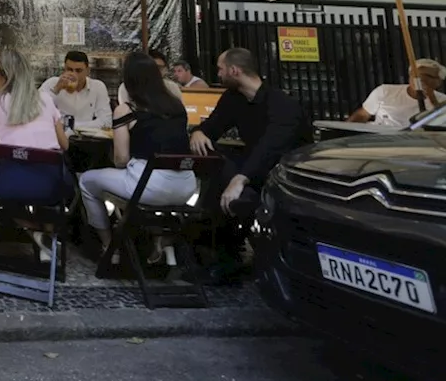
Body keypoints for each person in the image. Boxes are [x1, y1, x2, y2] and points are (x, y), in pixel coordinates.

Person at [190, 47, 311, 281]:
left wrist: (240, 179)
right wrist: (199, 132)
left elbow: (270, 149)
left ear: (234, 70)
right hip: (254, 170)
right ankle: (218, 252)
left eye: (220, 69)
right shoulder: (233, 99)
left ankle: (226, 254)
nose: (218, 74)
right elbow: (213, 126)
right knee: (220, 168)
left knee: (232, 183)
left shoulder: (281, 104)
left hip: (286, 177)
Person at [79, 52, 196, 265]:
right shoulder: (177, 106)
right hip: (186, 186)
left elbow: (121, 159)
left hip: (148, 185)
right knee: (141, 190)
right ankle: (161, 241)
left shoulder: (127, 109)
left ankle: (109, 246)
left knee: (86, 180)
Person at [0, 46, 73, 261]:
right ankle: (47, 237)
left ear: (4, 74)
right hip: (52, 183)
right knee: (48, 192)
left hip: (10, 183)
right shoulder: (45, 99)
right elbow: (64, 145)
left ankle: (34, 231)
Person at [347, 59, 446, 127]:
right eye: (415, 74)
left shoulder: (443, 101)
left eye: (427, 76)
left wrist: (432, 99)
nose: (419, 79)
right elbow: (363, 115)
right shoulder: (385, 91)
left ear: (438, 81)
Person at [40, 51, 111, 131]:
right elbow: (37, 113)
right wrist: (56, 89)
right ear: (64, 69)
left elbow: (106, 122)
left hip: (88, 138)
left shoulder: (98, 87)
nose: (73, 74)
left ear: (87, 71)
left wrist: (71, 126)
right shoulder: (52, 83)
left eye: (78, 71)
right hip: (59, 137)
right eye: (69, 70)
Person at [117, 49, 183, 106]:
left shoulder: (172, 87)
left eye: (160, 68)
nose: (156, 71)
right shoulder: (127, 87)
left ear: (166, 69)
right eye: (153, 67)